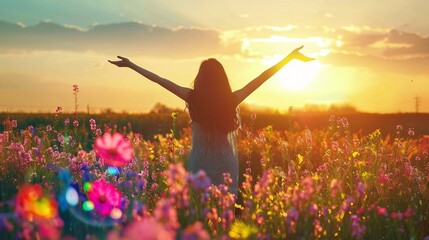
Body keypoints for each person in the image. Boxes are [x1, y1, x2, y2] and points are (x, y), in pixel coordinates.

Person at [108, 46, 314, 196]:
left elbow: (160, 80)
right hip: (226, 162)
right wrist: (290, 58)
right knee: (224, 216)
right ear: (222, 79)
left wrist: (131, 65)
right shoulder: (232, 100)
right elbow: (262, 77)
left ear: (200, 79)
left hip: (199, 163)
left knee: (200, 213)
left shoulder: (192, 98)